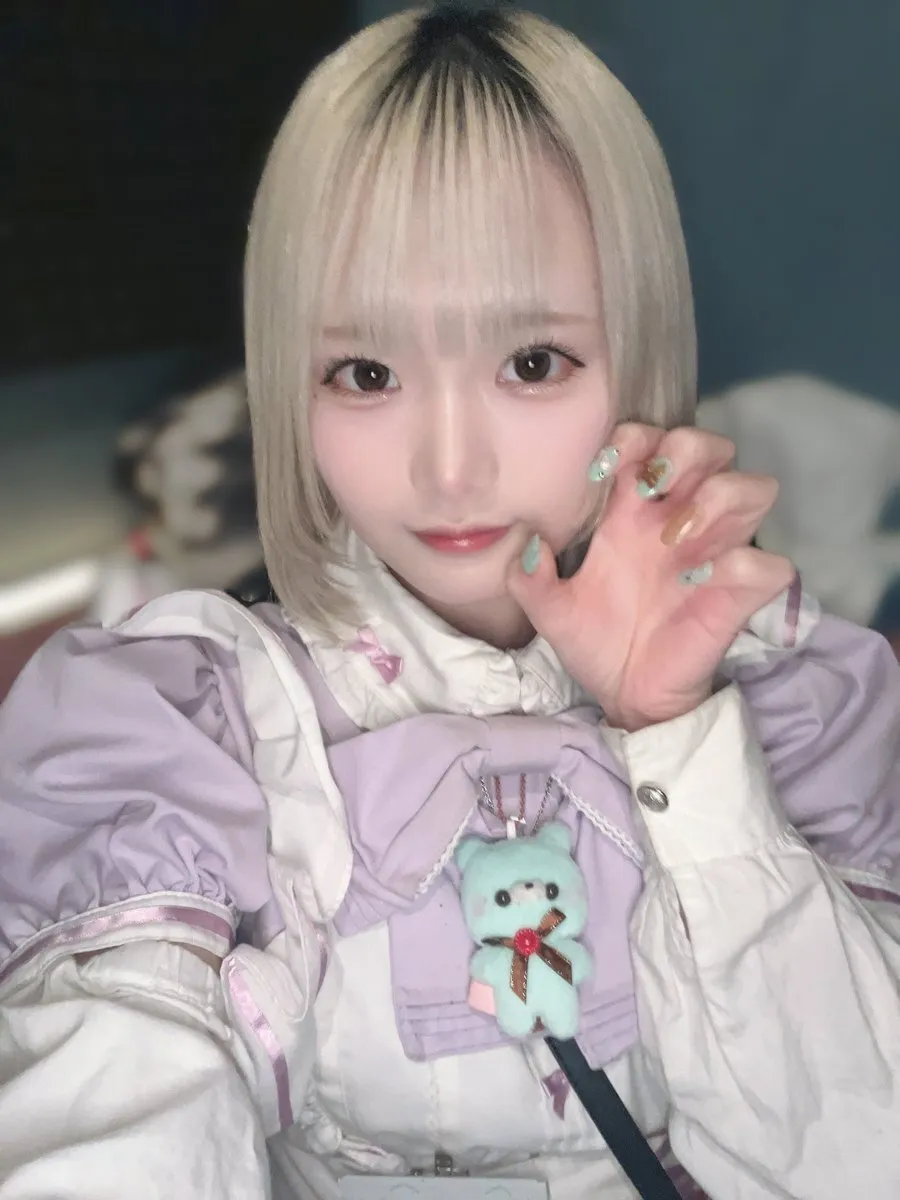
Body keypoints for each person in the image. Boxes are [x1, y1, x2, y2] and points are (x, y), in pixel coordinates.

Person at [1, 6, 898, 1199]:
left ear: (638, 349)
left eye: (531, 363)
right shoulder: (184, 728)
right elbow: (121, 1104)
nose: (450, 467)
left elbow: (863, 1158)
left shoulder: (801, 708)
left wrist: (679, 735)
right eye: (366, 372)